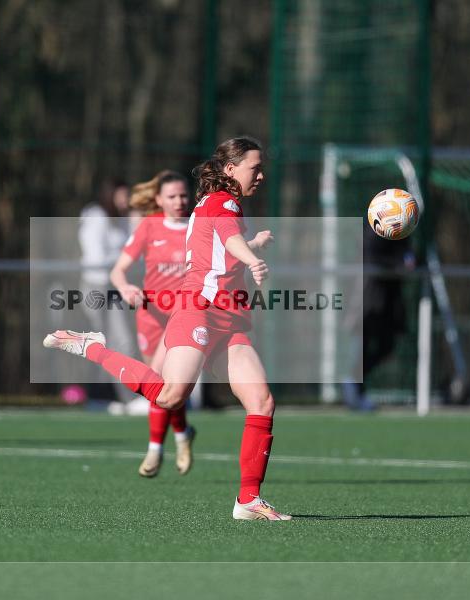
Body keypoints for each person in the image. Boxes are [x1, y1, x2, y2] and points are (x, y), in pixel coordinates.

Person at [45, 137, 289, 520]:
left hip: (231, 321)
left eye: (261, 168)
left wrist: (252, 246)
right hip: (199, 312)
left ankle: (248, 500)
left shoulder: (220, 205)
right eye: (254, 168)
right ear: (230, 170)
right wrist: (251, 257)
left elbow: (223, 245)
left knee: (262, 403)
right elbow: (228, 239)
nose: (261, 175)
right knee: (171, 396)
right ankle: (91, 347)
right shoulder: (222, 202)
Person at [109, 170, 195, 477]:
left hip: (182, 317)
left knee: (160, 378)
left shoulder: (198, 228)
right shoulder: (149, 226)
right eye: (171, 196)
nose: (179, 201)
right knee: (164, 388)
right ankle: (183, 435)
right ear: (158, 199)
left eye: (183, 195)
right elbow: (118, 270)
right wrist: (125, 288)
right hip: (149, 316)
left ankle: (154, 450)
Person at [342, 223, 415, 411]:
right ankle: (353, 387)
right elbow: (373, 256)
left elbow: (407, 256)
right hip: (370, 297)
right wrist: (399, 265)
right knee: (363, 345)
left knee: (387, 346)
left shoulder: (404, 232)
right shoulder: (374, 229)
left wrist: (410, 262)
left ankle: (355, 384)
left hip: (390, 299)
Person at [78, 178, 137, 409]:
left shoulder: (123, 220)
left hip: (114, 288)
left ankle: (128, 398)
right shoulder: (95, 216)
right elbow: (95, 256)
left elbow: (132, 249)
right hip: (96, 286)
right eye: (122, 195)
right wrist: (121, 264)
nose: (126, 201)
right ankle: (99, 398)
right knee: (99, 344)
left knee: (122, 341)